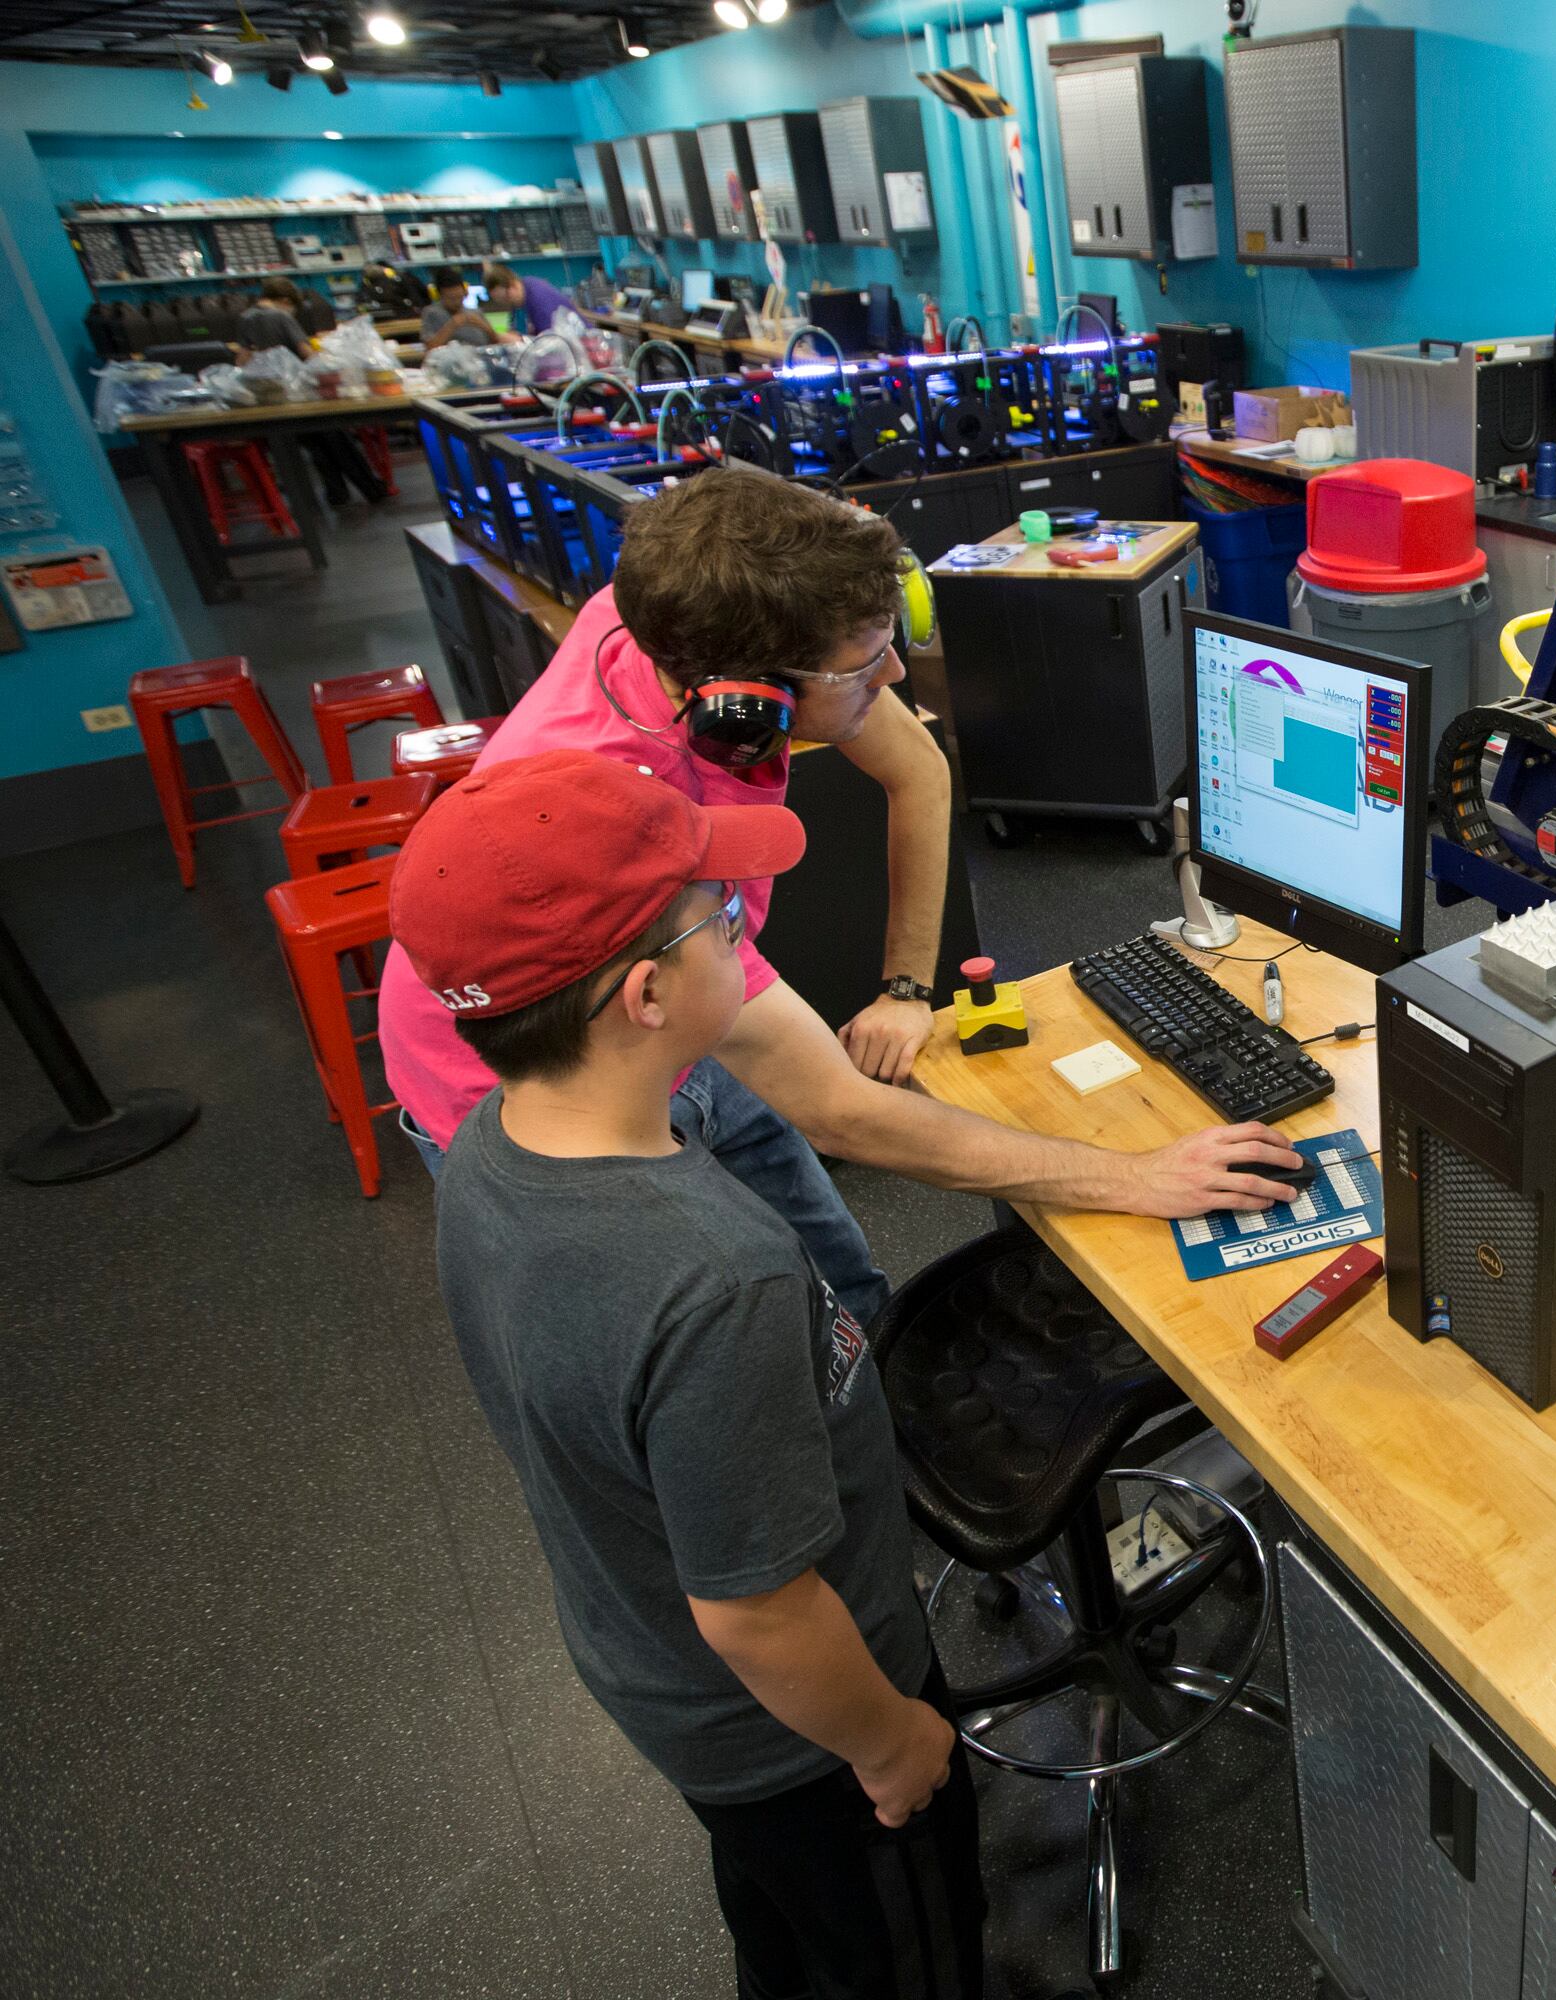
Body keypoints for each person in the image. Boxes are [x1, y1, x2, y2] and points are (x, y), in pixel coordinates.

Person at [375, 466, 1304, 1328]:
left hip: (688, 1005)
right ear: (750, 702)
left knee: (844, 1288)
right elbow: (839, 1111)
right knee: (720, 1327)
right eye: (863, 669)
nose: (896, 678)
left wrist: (905, 989)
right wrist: (1137, 1178)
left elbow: (918, 771)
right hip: (535, 1082)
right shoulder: (618, 809)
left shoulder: (686, 625)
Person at [402, 751, 986, 1997]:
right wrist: (890, 1741)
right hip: (817, 1731)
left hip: (669, 1683)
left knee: (785, 1927)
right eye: (723, 918)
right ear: (648, 993)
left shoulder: (481, 1154)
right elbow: (759, 1610)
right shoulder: (715, 1275)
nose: (745, 937)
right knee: (903, 1949)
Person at [226, 276, 390, 507]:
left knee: (316, 444)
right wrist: (336, 365)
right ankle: (372, 489)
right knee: (335, 436)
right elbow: (307, 354)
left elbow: (242, 359)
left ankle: (337, 494)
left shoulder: (246, 318)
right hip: (298, 391)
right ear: (285, 300)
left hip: (268, 395)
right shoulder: (280, 316)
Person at [481, 259, 572, 339]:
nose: (506, 303)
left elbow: (553, 342)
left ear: (513, 286)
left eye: (505, 298)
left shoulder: (538, 298)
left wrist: (520, 340)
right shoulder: (519, 302)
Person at [418, 266, 495, 350]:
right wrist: (453, 324)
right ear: (440, 296)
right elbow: (430, 347)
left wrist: (483, 326)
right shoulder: (432, 313)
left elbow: (496, 342)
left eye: (459, 297)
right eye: (451, 298)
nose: (456, 302)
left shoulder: (475, 312)